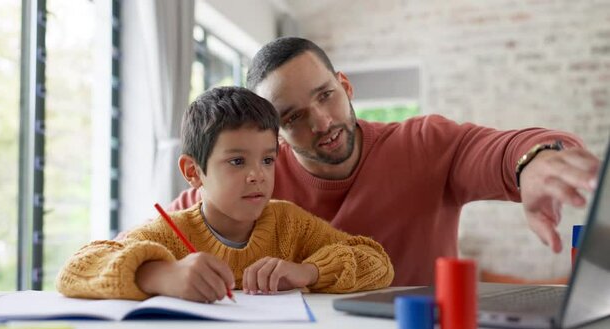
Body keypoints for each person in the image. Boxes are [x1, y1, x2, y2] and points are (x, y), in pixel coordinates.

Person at [169, 37, 601, 286]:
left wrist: (536, 160)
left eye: (325, 96)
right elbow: (147, 239)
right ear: (275, 131)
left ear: (345, 86)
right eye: (294, 117)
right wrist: (165, 273)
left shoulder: (424, 144)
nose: (322, 121)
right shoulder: (254, 177)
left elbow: (505, 150)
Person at [57, 86, 394, 302]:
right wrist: (159, 275)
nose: (257, 176)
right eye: (236, 161)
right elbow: (75, 271)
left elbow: (378, 264)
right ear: (193, 172)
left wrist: (308, 271)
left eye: (267, 160)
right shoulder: (167, 235)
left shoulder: (290, 223)